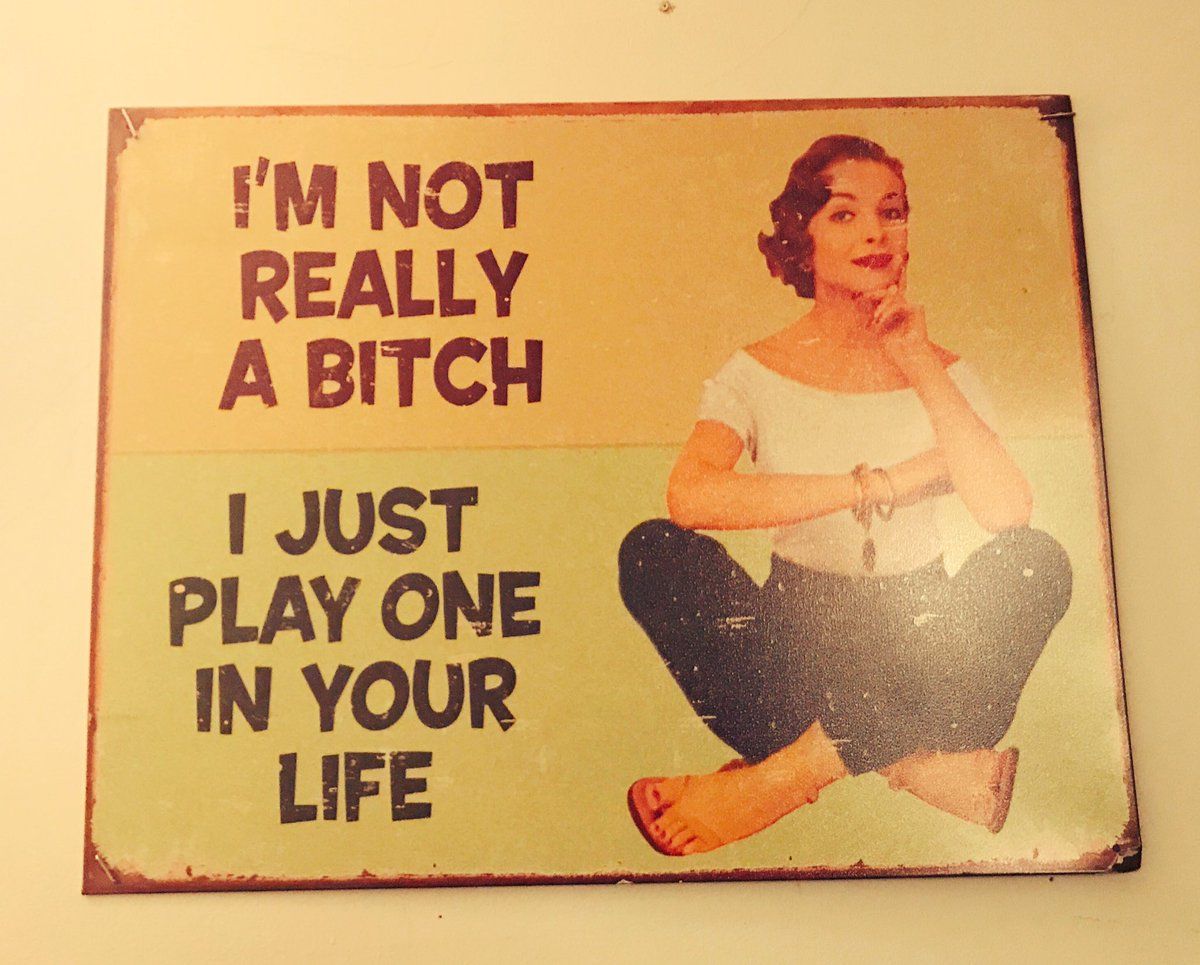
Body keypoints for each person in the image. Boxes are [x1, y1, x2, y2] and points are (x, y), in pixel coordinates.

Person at [618, 135, 1073, 857]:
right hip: (793, 659)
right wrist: (878, 484)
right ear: (802, 238)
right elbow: (691, 496)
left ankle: (781, 777)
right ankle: (913, 763)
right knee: (650, 550)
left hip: (923, 644)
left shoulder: (947, 374)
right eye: (844, 214)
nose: (875, 233)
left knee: (1036, 559)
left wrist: (918, 359)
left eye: (892, 213)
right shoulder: (755, 372)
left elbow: (1007, 512)